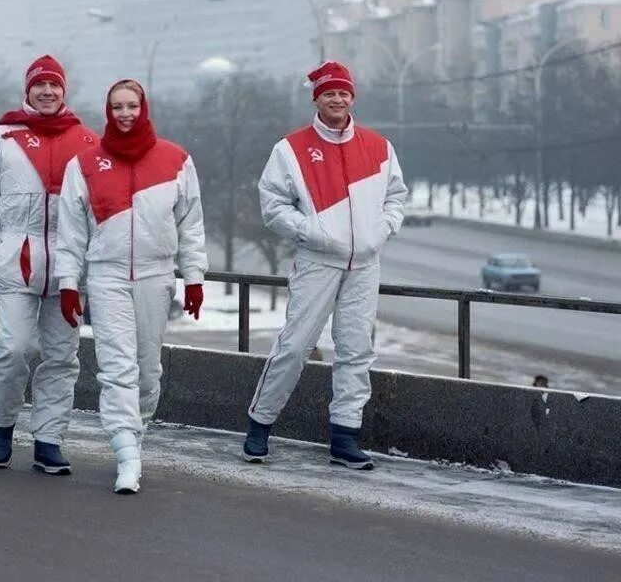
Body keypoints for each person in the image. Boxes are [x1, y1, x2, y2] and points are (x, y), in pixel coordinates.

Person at [243, 61, 407, 470]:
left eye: (344, 93)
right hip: (317, 261)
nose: (337, 99)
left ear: (352, 97)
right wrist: (311, 232)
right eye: (329, 93)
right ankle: (260, 425)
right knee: (295, 345)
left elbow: (396, 196)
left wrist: (381, 230)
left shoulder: (378, 146)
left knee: (356, 350)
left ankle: (345, 435)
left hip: (365, 264)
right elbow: (273, 204)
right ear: (316, 98)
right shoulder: (291, 149)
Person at [54, 79, 207, 494]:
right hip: (106, 276)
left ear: (144, 109)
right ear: (108, 111)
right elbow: (70, 233)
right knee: (117, 369)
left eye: (132, 106)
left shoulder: (176, 160)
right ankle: (126, 453)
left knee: (147, 371)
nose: (125, 114)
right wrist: (69, 282)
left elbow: (190, 225)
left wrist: (193, 278)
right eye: (117, 107)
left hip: (157, 277)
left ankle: (133, 437)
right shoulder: (84, 165)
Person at [0, 55, 98, 473]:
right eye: (40, 85)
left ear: (64, 90)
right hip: (15, 263)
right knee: (15, 347)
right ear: (28, 90)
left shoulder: (88, 142)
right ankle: (1, 427)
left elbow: (99, 208)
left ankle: (48, 440)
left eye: (54, 85)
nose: (48, 92)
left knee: (62, 356)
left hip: (70, 269)